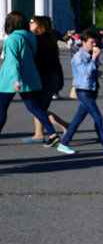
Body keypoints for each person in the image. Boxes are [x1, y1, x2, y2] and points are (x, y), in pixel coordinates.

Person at [56, 29, 103, 156]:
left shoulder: (90, 55)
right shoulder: (78, 57)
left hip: (91, 89)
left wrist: (97, 72)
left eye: (96, 42)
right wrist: (93, 60)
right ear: (83, 42)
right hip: (83, 91)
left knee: (77, 119)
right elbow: (86, 74)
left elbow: (90, 73)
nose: (94, 45)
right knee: (98, 118)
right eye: (92, 42)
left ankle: (64, 143)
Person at [1, 11, 59, 146]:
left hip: (10, 78)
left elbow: (13, 61)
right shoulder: (30, 36)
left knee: (2, 107)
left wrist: (15, 79)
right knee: (34, 107)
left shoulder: (11, 38)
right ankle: (52, 133)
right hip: (30, 76)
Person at [26, 15, 69, 141]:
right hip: (53, 77)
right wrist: (60, 80)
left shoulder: (38, 39)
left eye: (32, 22)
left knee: (37, 108)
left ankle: (65, 126)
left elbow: (38, 62)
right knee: (40, 108)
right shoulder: (49, 38)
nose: (29, 24)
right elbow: (56, 62)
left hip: (43, 78)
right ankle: (38, 134)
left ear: (39, 25)